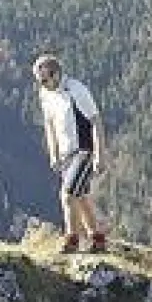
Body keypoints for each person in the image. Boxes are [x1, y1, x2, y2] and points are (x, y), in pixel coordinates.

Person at [33, 54, 108, 252]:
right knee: (81, 196)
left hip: (84, 149)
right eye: (39, 80)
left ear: (56, 74)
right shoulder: (45, 94)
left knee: (67, 195)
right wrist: (53, 154)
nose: (42, 84)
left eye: (45, 79)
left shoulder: (76, 90)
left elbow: (96, 121)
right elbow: (49, 124)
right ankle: (97, 238)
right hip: (66, 154)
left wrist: (100, 154)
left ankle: (71, 240)